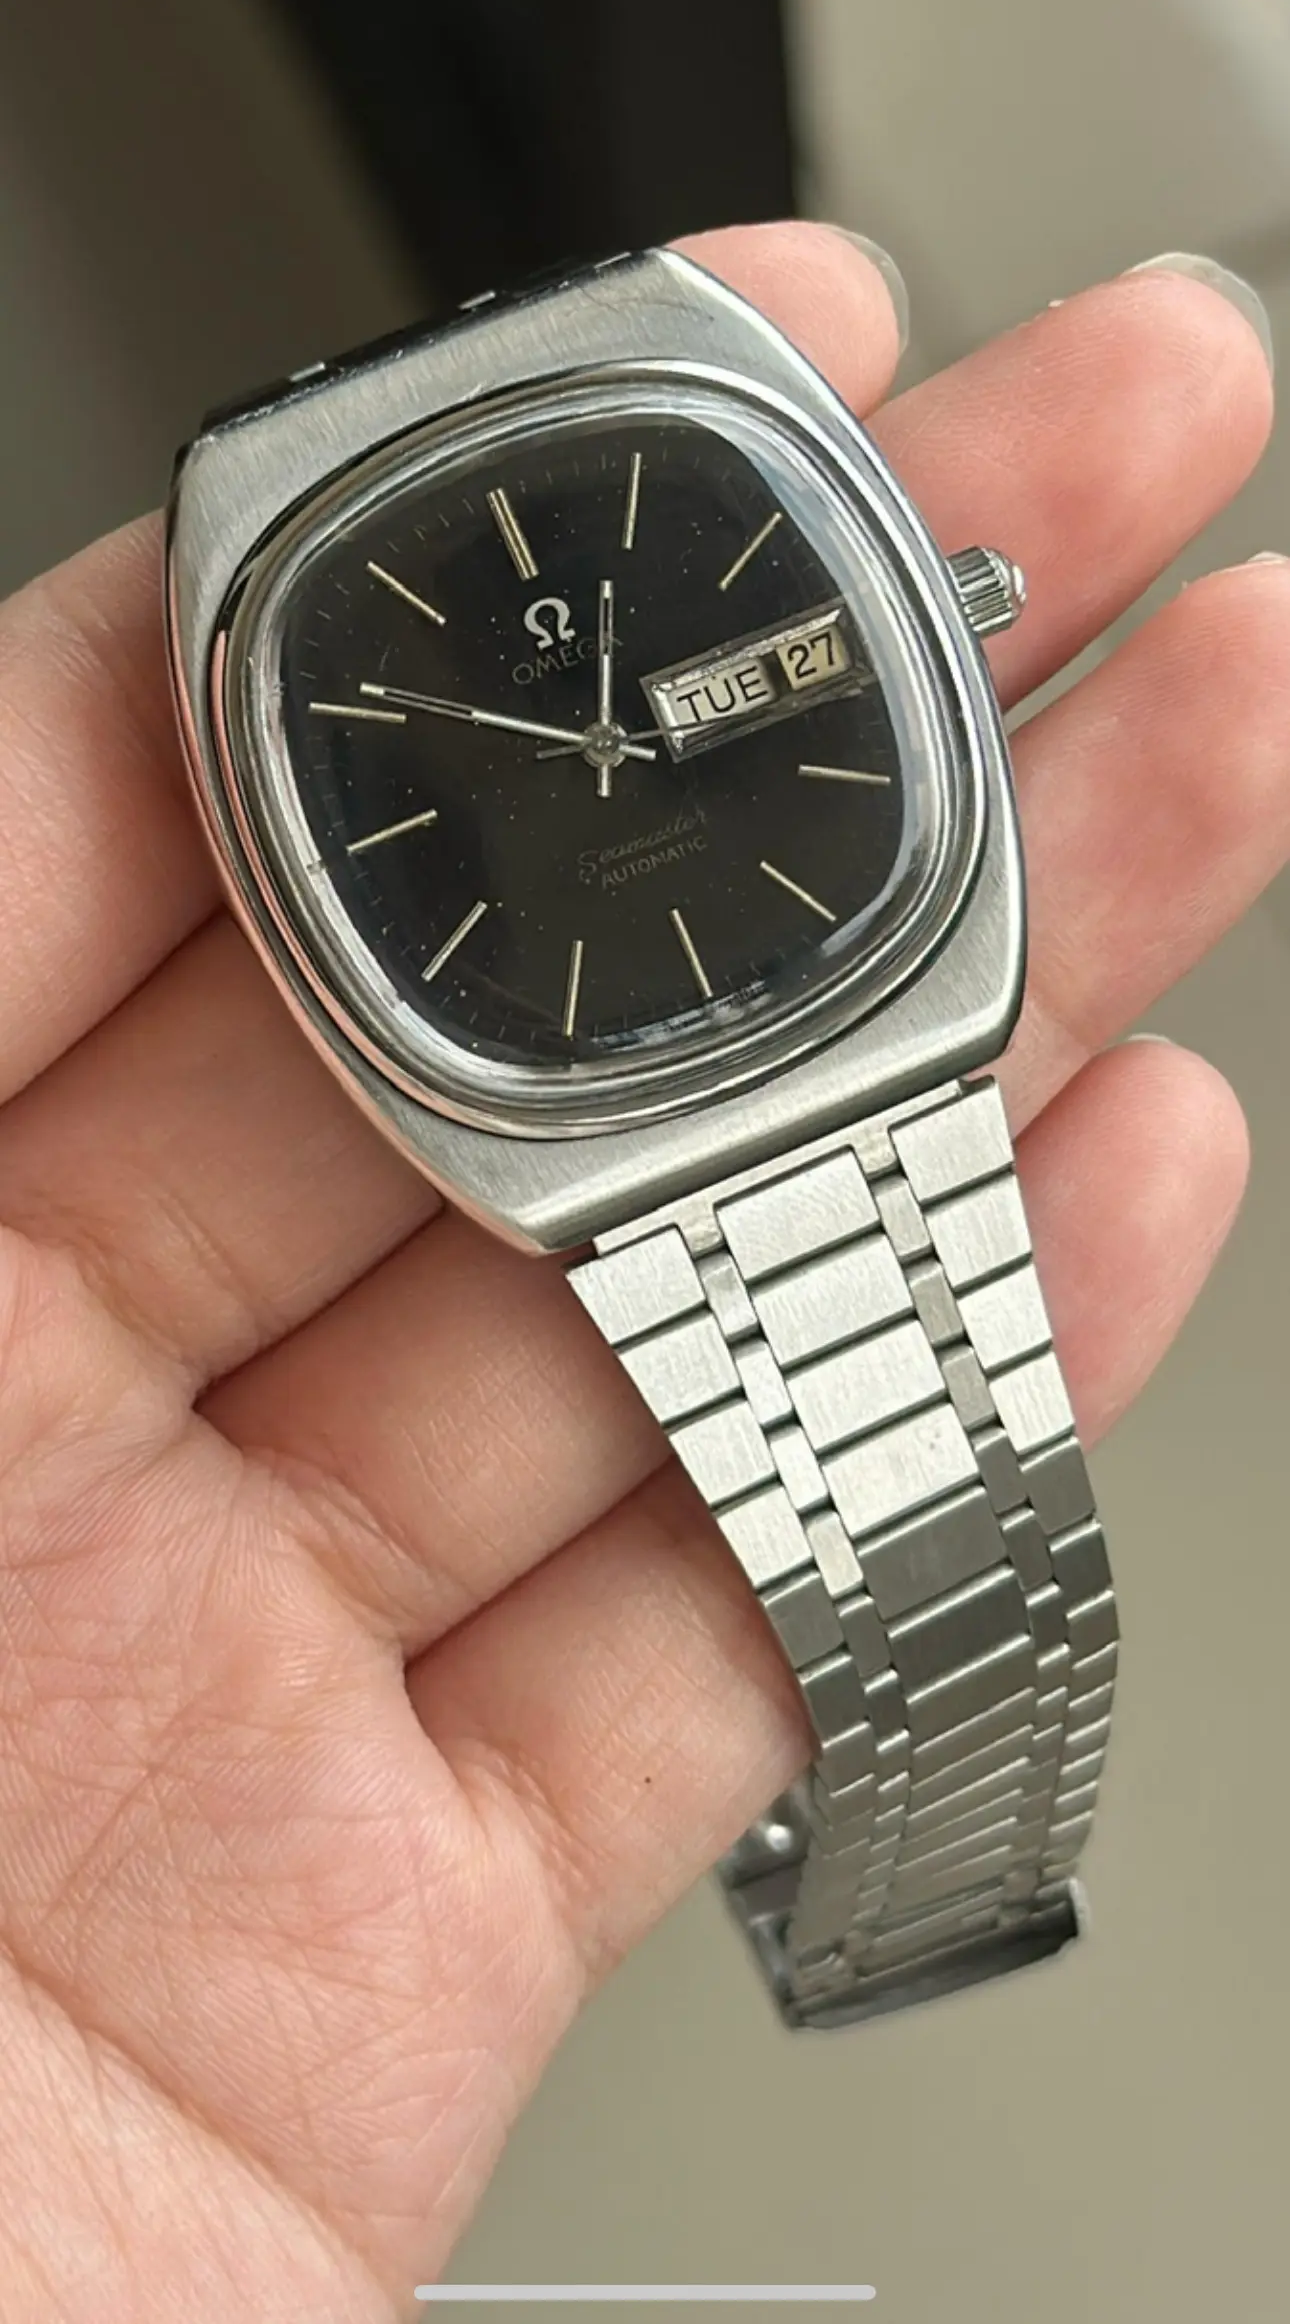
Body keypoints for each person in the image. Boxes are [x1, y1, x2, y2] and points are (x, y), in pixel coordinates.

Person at [0, 220, 1277, 2315]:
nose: (605, 763)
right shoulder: (278, 653)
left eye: (624, 732)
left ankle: (931, 1877)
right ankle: (920, 1884)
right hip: (591, 1104)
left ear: (944, 608)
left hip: (838, 1013)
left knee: (935, 1494)